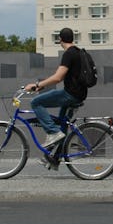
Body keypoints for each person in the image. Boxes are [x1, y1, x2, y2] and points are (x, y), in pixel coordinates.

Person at [23, 27, 88, 169]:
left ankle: (52, 132)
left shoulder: (69, 54)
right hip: (79, 94)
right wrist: (42, 86)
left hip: (70, 94)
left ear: (60, 39)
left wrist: (37, 84)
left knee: (36, 102)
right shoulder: (77, 52)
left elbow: (58, 77)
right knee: (63, 125)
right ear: (72, 38)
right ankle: (54, 158)